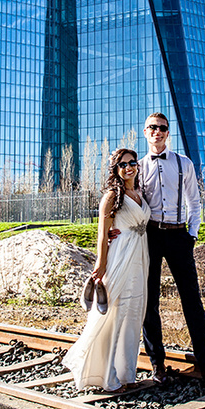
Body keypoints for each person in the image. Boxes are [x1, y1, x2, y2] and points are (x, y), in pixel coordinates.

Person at [139, 113, 205, 386]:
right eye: (152, 128)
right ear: (145, 132)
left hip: (179, 235)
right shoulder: (141, 166)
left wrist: (191, 234)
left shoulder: (184, 164)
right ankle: (157, 364)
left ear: (168, 133)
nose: (157, 132)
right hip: (150, 237)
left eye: (162, 128)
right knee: (150, 302)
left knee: (191, 300)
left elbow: (195, 202)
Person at [63, 148, 150, 393]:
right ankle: (107, 377)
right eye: (123, 165)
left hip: (140, 257)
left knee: (133, 315)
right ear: (115, 169)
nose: (129, 167)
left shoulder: (139, 193)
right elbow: (102, 235)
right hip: (120, 256)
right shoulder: (111, 196)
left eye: (132, 162)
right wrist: (100, 266)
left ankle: (126, 373)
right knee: (115, 314)